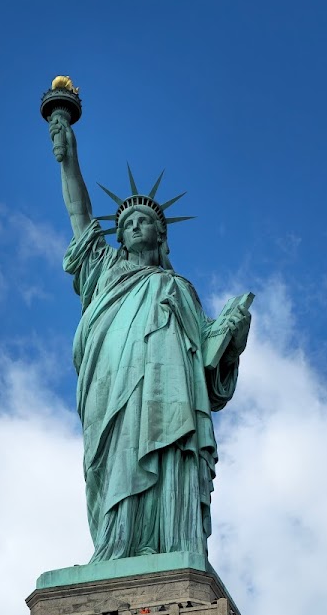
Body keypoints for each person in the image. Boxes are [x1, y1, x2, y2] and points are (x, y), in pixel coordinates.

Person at [49, 115, 251, 562]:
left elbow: (208, 362)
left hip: (169, 391)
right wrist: (69, 160)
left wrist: (231, 335)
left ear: (160, 234)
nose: (137, 226)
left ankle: (174, 542)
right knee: (117, 454)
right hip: (112, 382)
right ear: (118, 236)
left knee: (170, 449)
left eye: (145, 221)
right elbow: (79, 215)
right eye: (128, 223)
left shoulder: (178, 288)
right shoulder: (102, 271)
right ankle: (116, 543)